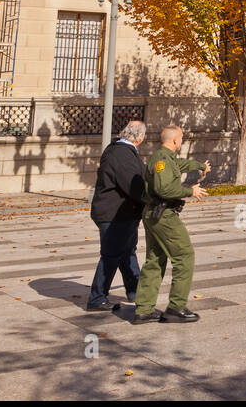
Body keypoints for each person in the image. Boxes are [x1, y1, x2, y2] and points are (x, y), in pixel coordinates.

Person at [131, 125, 211, 324]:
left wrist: (200, 166)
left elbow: (181, 165)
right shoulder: (161, 160)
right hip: (163, 215)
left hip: (155, 214)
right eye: (181, 138)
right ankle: (176, 307)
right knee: (184, 256)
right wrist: (189, 191)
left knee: (155, 259)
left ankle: (144, 309)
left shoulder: (167, 157)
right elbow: (164, 188)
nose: (182, 142)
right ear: (175, 140)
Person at [87, 120, 148, 312]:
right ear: (140, 137)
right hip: (114, 214)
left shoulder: (119, 150)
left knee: (126, 251)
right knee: (112, 255)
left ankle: (135, 291)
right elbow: (133, 185)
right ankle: (97, 298)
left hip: (119, 213)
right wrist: (150, 199)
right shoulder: (122, 154)